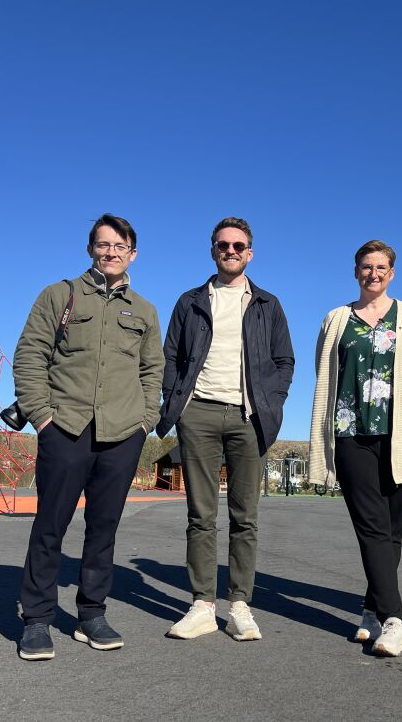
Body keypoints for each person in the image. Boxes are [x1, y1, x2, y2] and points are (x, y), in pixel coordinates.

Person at [13, 214, 163, 661]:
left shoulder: (144, 310)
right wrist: (42, 417)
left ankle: (91, 613)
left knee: (104, 528)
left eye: (120, 246)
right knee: (49, 525)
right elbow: (30, 355)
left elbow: (153, 370)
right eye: (103, 245)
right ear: (90, 249)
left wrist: (145, 421)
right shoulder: (59, 295)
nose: (110, 252)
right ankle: (37, 619)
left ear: (132, 253)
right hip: (66, 427)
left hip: (122, 432)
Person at [157, 216, 294, 641]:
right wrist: (178, 406)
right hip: (197, 413)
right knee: (201, 514)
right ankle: (202, 603)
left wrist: (272, 401)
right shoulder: (191, 301)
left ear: (249, 253)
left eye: (238, 246)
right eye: (223, 245)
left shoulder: (268, 305)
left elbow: (284, 361)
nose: (230, 251)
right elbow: (171, 358)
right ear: (213, 250)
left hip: (248, 417)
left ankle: (239, 604)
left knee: (244, 516)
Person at [308, 240, 402, 657]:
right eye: (365, 267)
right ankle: (395, 620)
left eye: (380, 267)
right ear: (355, 271)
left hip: (401, 435)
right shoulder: (337, 319)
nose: (373, 274)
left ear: (391, 272)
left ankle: (371, 609)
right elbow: (324, 372)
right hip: (351, 433)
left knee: (393, 531)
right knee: (372, 527)